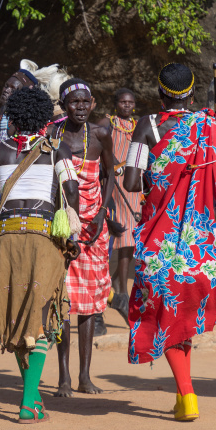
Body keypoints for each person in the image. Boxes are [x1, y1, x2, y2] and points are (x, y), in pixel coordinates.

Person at [123, 63, 216, 422]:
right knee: (180, 320)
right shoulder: (208, 125)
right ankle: (181, 395)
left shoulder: (147, 126)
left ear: (159, 94)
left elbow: (130, 182)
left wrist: (159, 177)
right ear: (190, 94)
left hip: (159, 245)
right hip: (202, 252)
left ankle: (188, 396)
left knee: (166, 315)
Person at [0, 86, 80, 423]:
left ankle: (32, 398)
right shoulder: (57, 150)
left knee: (16, 314)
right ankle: (26, 402)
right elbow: (71, 191)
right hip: (43, 237)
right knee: (43, 315)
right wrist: (72, 234)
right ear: (44, 116)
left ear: (12, 117)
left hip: (5, 238)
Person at [50, 78, 115, 396]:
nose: (80, 107)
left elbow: (110, 174)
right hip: (62, 227)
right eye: (73, 102)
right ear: (63, 106)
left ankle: (85, 377)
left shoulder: (101, 134)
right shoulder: (53, 135)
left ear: (93, 103)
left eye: (85, 101)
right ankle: (63, 378)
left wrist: (104, 211)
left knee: (88, 304)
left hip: (93, 230)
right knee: (64, 302)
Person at [98, 89, 142, 319]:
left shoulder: (137, 125)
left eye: (130, 102)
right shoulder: (107, 122)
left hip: (134, 185)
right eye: (123, 102)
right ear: (115, 103)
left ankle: (118, 287)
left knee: (131, 240)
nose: (126, 105)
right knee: (122, 235)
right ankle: (119, 291)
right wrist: (113, 165)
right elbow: (100, 146)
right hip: (114, 183)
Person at [0, 64, 39, 144]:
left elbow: (7, 153)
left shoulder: (21, 121)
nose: (6, 90)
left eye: (13, 90)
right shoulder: (3, 110)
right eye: (6, 86)